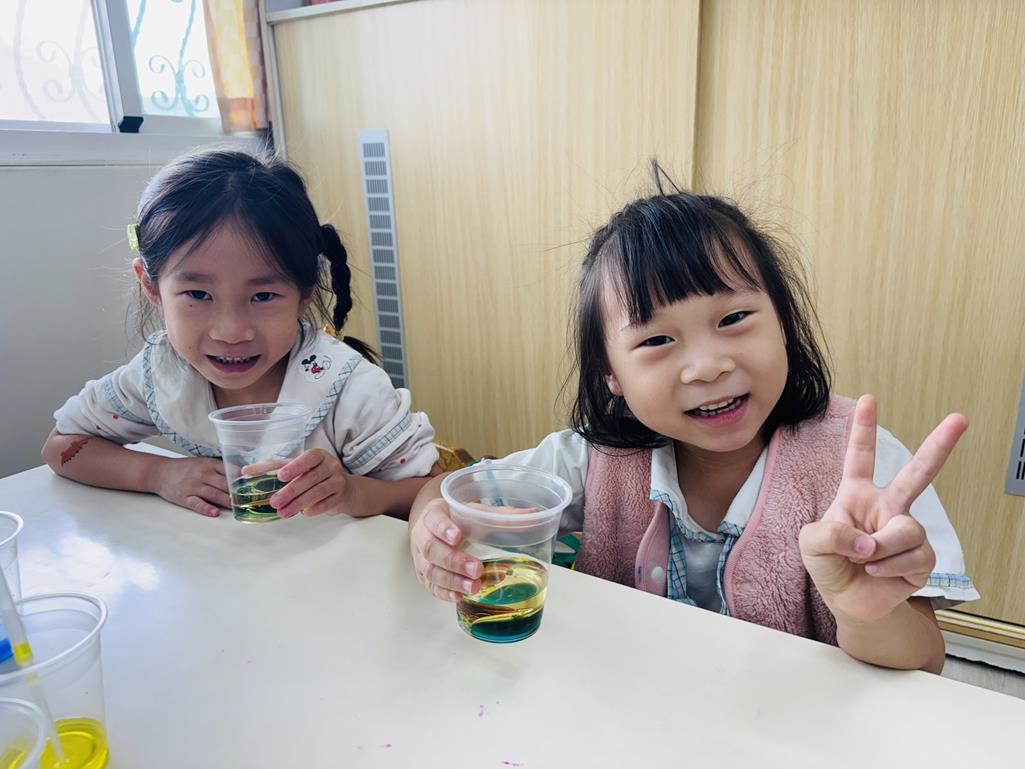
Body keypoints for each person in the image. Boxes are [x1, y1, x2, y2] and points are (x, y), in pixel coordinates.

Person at [408, 171, 977, 672]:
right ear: (611, 375)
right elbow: (450, 489)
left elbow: (924, 658)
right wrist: (432, 528)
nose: (707, 366)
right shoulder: (594, 457)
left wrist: (864, 612)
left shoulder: (859, 465)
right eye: (657, 340)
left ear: (784, 321)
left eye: (733, 318)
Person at [43, 149, 437, 519]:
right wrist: (159, 474)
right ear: (152, 288)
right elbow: (61, 447)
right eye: (198, 294)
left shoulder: (349, 390)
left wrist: (351, 491)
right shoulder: (159, 373)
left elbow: (429, 490)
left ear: (304, 295)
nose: (231, 332)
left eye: (263, 296)